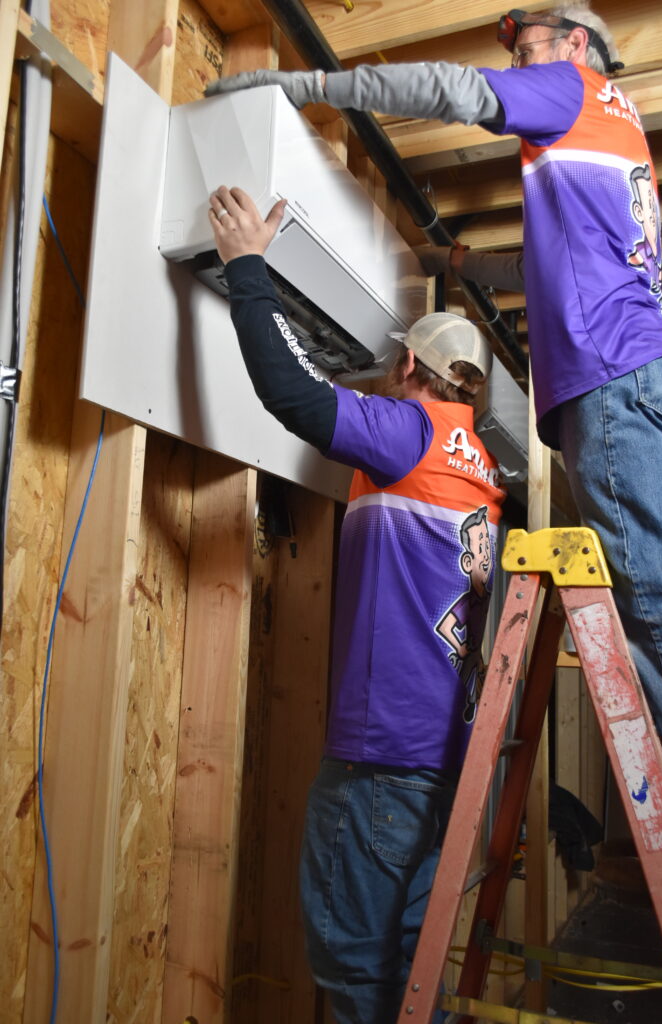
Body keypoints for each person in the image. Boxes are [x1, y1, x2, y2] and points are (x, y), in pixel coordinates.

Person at [206, 2, 662, 800]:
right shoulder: (609, 133)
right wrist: (436, 259)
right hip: (640, 371)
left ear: (573, 46)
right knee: (653, 595)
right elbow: (537, 271)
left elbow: (453, 88)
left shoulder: (571, 86)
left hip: (612, 376)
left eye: (526, 50)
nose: (521, 69)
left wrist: (307, 86)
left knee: (655, 601)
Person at [208, 183, 506, 1022]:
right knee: (408, 976)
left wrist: (247, 269)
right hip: (439, 757)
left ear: (408, 368)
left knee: (355, 979)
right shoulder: (480, 470)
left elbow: (293, 399)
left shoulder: (407, 434)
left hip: (378, 763)